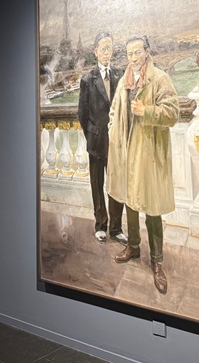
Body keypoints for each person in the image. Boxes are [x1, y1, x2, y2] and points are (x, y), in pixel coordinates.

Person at [107, 35, 179, 294]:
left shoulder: (160, 78)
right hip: (126, 153)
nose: (134, 58)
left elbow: (173, 114)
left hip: (149, 153)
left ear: (147, 52)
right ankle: (134, 246)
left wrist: (146, 111)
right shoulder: (123, 82)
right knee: (130, 201)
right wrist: (112, 130)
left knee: (152, 206)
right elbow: (114, 112)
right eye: (130, 54)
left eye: (138, 52)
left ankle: (157, 262)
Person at [77, 33, 127, 245]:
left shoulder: (121, 74)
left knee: (117, 185)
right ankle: (100, 226)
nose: (107, 52)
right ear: (95, 52)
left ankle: (116, 228)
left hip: (117, 142)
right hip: (97, 143)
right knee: (97, 186)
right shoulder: (87, 80)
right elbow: (82, 114)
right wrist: (93, 134)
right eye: (103, 49)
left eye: (110, 48)